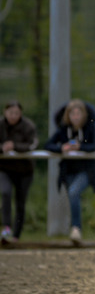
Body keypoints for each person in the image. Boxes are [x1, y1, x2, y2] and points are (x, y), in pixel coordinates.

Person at [43, 99, 95, 245]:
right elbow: (47, 145)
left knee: (73, 192)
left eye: (78, 113)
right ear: (68, 115)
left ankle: (76, 229)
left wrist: (80, 148)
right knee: (74, 196)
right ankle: (76, 228)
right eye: (73, 114)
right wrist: (61, 148)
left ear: (84, 115)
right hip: (69, 171)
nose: (76, 117)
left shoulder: (89, 129)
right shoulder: (63, 131)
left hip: (86, 171)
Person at [0, 100, 38, 244]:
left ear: (21, 113)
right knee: (5, 192)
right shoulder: (1, 125)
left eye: (16, 113)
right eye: (11, 112)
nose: (13, 116)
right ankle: (6, 226)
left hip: (24, 171)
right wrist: (3, 148)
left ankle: (16, 235)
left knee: (20, 202)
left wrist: (15, 146)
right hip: (4, 169)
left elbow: (33, 144)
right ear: (5, 112)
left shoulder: (28, 126)